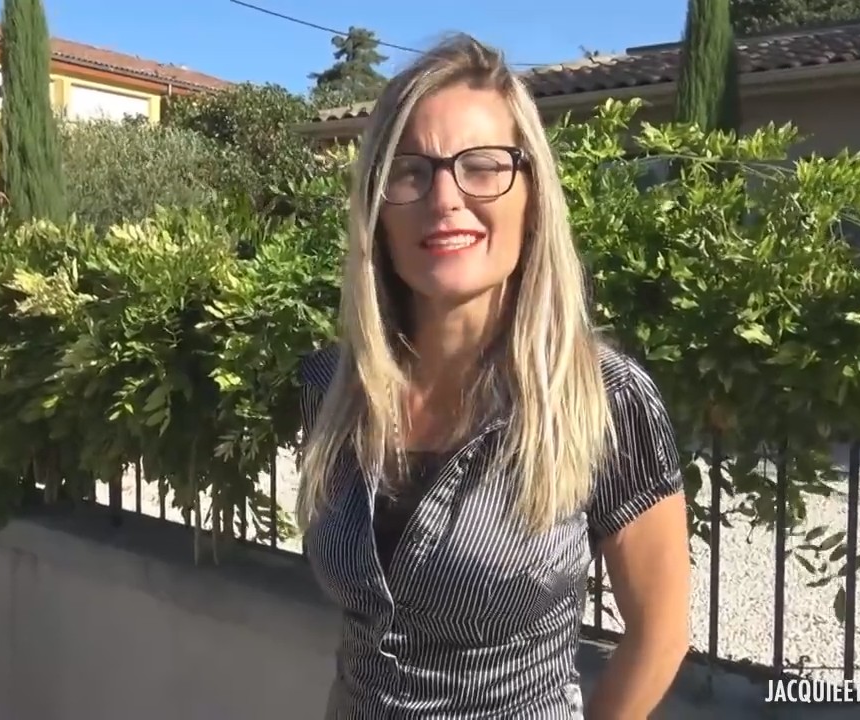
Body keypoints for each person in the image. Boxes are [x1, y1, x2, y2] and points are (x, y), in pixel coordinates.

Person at [296, 33, 691, 719]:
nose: (445, 197)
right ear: (377, 210)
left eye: (482, 167)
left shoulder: (603, 396)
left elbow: (661, 632)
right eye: (410, 171)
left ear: (532, 196)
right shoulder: (333, 385)